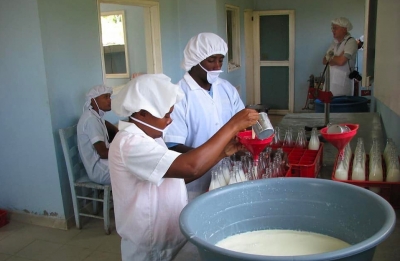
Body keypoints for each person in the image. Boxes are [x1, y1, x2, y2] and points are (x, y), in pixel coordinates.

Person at [108, 74, 258, 261]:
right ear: (142, 113)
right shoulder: (130, 143)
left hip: (171, 237)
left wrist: (222, 153)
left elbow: (177, 177)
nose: (170, 120)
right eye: (166, 115)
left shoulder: (152, 139)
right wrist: (233, 125)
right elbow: (190, 167)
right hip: (151, 248)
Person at [163, 32, 245, 201]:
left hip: (230, 176)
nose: (217, 66)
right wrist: (215, 156)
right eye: (211, 60)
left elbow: (241, 125)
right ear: (195, 60)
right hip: (195, 186)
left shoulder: (226, 89)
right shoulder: (178, 95)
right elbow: (173, 146)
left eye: (220, 60)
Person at [77, 84, 118, 184]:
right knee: (135, 173)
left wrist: (121, 134)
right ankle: (126, 199)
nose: (109, 100)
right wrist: (125, 153)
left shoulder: (95, 116)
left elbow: (107, 125)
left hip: (103, 164)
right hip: (99, 170)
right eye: (105, 97)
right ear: (93, 100)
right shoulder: (91, 120)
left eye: (109, 97)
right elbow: (103, 153)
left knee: (136, 167)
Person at [323, 17, 358, 96]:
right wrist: (336, 58)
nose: (333, 30)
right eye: (332, 28)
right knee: (327, 104)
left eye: (335, 28)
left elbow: (341, 61)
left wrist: (331, 59)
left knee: (340, 106)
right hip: (330, 82)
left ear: (344, 29)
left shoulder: (350, 42)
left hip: (342, 84)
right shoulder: (334, 43)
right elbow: (324, 60)